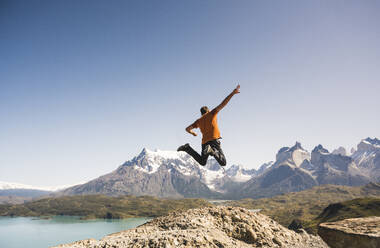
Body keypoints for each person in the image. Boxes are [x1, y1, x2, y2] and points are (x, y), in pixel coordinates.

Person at [177, 85, 240, 166]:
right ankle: (211, 151)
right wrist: (232, 93)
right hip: (213, 140)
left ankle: (187, 148)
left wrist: (193, 133)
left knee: (203, 162)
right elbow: (223, 104)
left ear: (201, 113)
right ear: (208, 110)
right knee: (223, 162)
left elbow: (187, 129)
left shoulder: (198, 121)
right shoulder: (212, 113)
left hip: (204, 143)